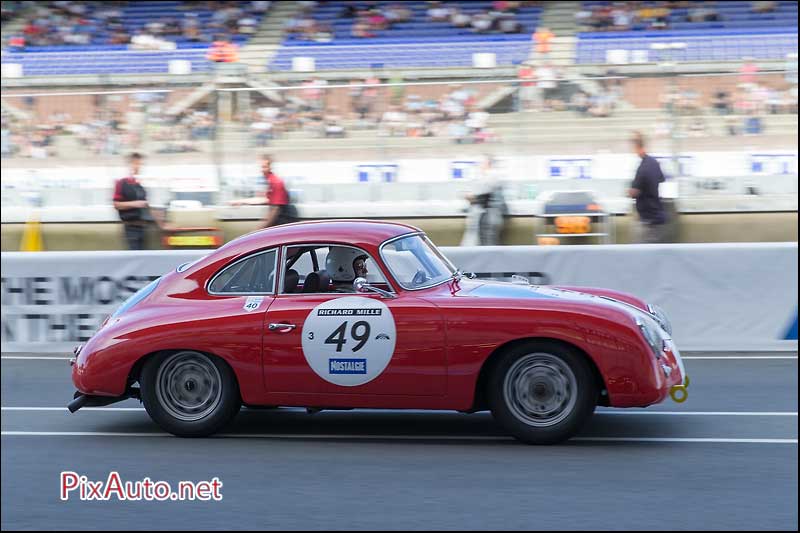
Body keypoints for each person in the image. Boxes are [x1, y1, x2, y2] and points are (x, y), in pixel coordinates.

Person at [230, 154, 297, 228]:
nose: (261, 170)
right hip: (279, 223)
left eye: (264, 167)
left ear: (270, 167)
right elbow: (265, 199)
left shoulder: (276, 182)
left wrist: (261, 228)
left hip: (283, 225)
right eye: (260, 167)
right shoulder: (269, 180)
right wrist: (241, 202)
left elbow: (274, 210)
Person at [628, 132, 668, 243]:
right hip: (658, 214)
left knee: (644, 252)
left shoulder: (642, 169)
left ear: (636, 147)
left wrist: (629, 191)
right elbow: (661, 179)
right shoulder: (654, 163)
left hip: (647, 219)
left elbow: (633, 192)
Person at [461, 155, 507, 246]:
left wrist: (470, 196)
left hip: (488, 218)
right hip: (488, 217)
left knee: (487, 243)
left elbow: (481, 196)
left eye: (482, 163)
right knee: (486, 243)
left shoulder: (492, 176)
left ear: (488, 164)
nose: (480, 166)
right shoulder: (489, 176)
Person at [113, 152, 154, 250]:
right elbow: (116, 204)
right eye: (136, 163)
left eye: (139, 164)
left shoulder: (139, 185)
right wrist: (136, 204)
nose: (138, 167)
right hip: (131, 228)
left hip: (142, 227)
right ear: (129, 164)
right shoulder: (122, 183)